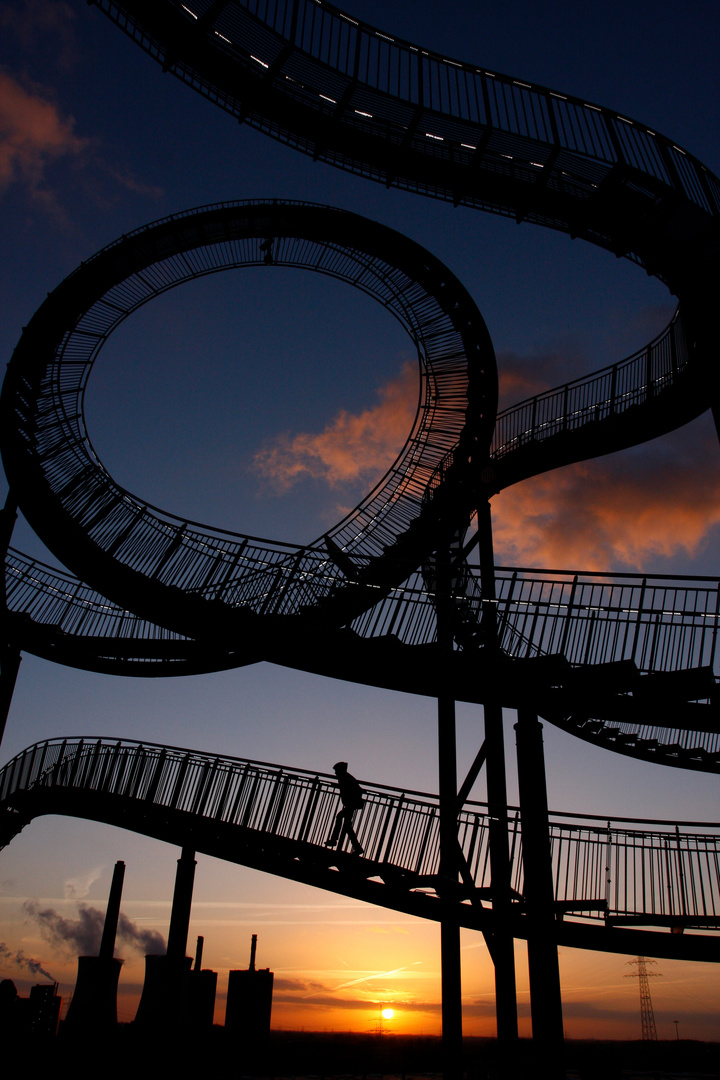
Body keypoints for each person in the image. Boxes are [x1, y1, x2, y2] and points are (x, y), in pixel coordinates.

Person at [325, 761, 364, 855]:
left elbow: (354, 789)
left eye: (336, 771)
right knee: (346, 826)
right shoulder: (345, 778)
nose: (335, 773)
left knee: (341, 819)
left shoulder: (345, 778)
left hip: (351, 804)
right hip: (351, 804)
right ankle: (357, 848)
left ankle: (335, 840)